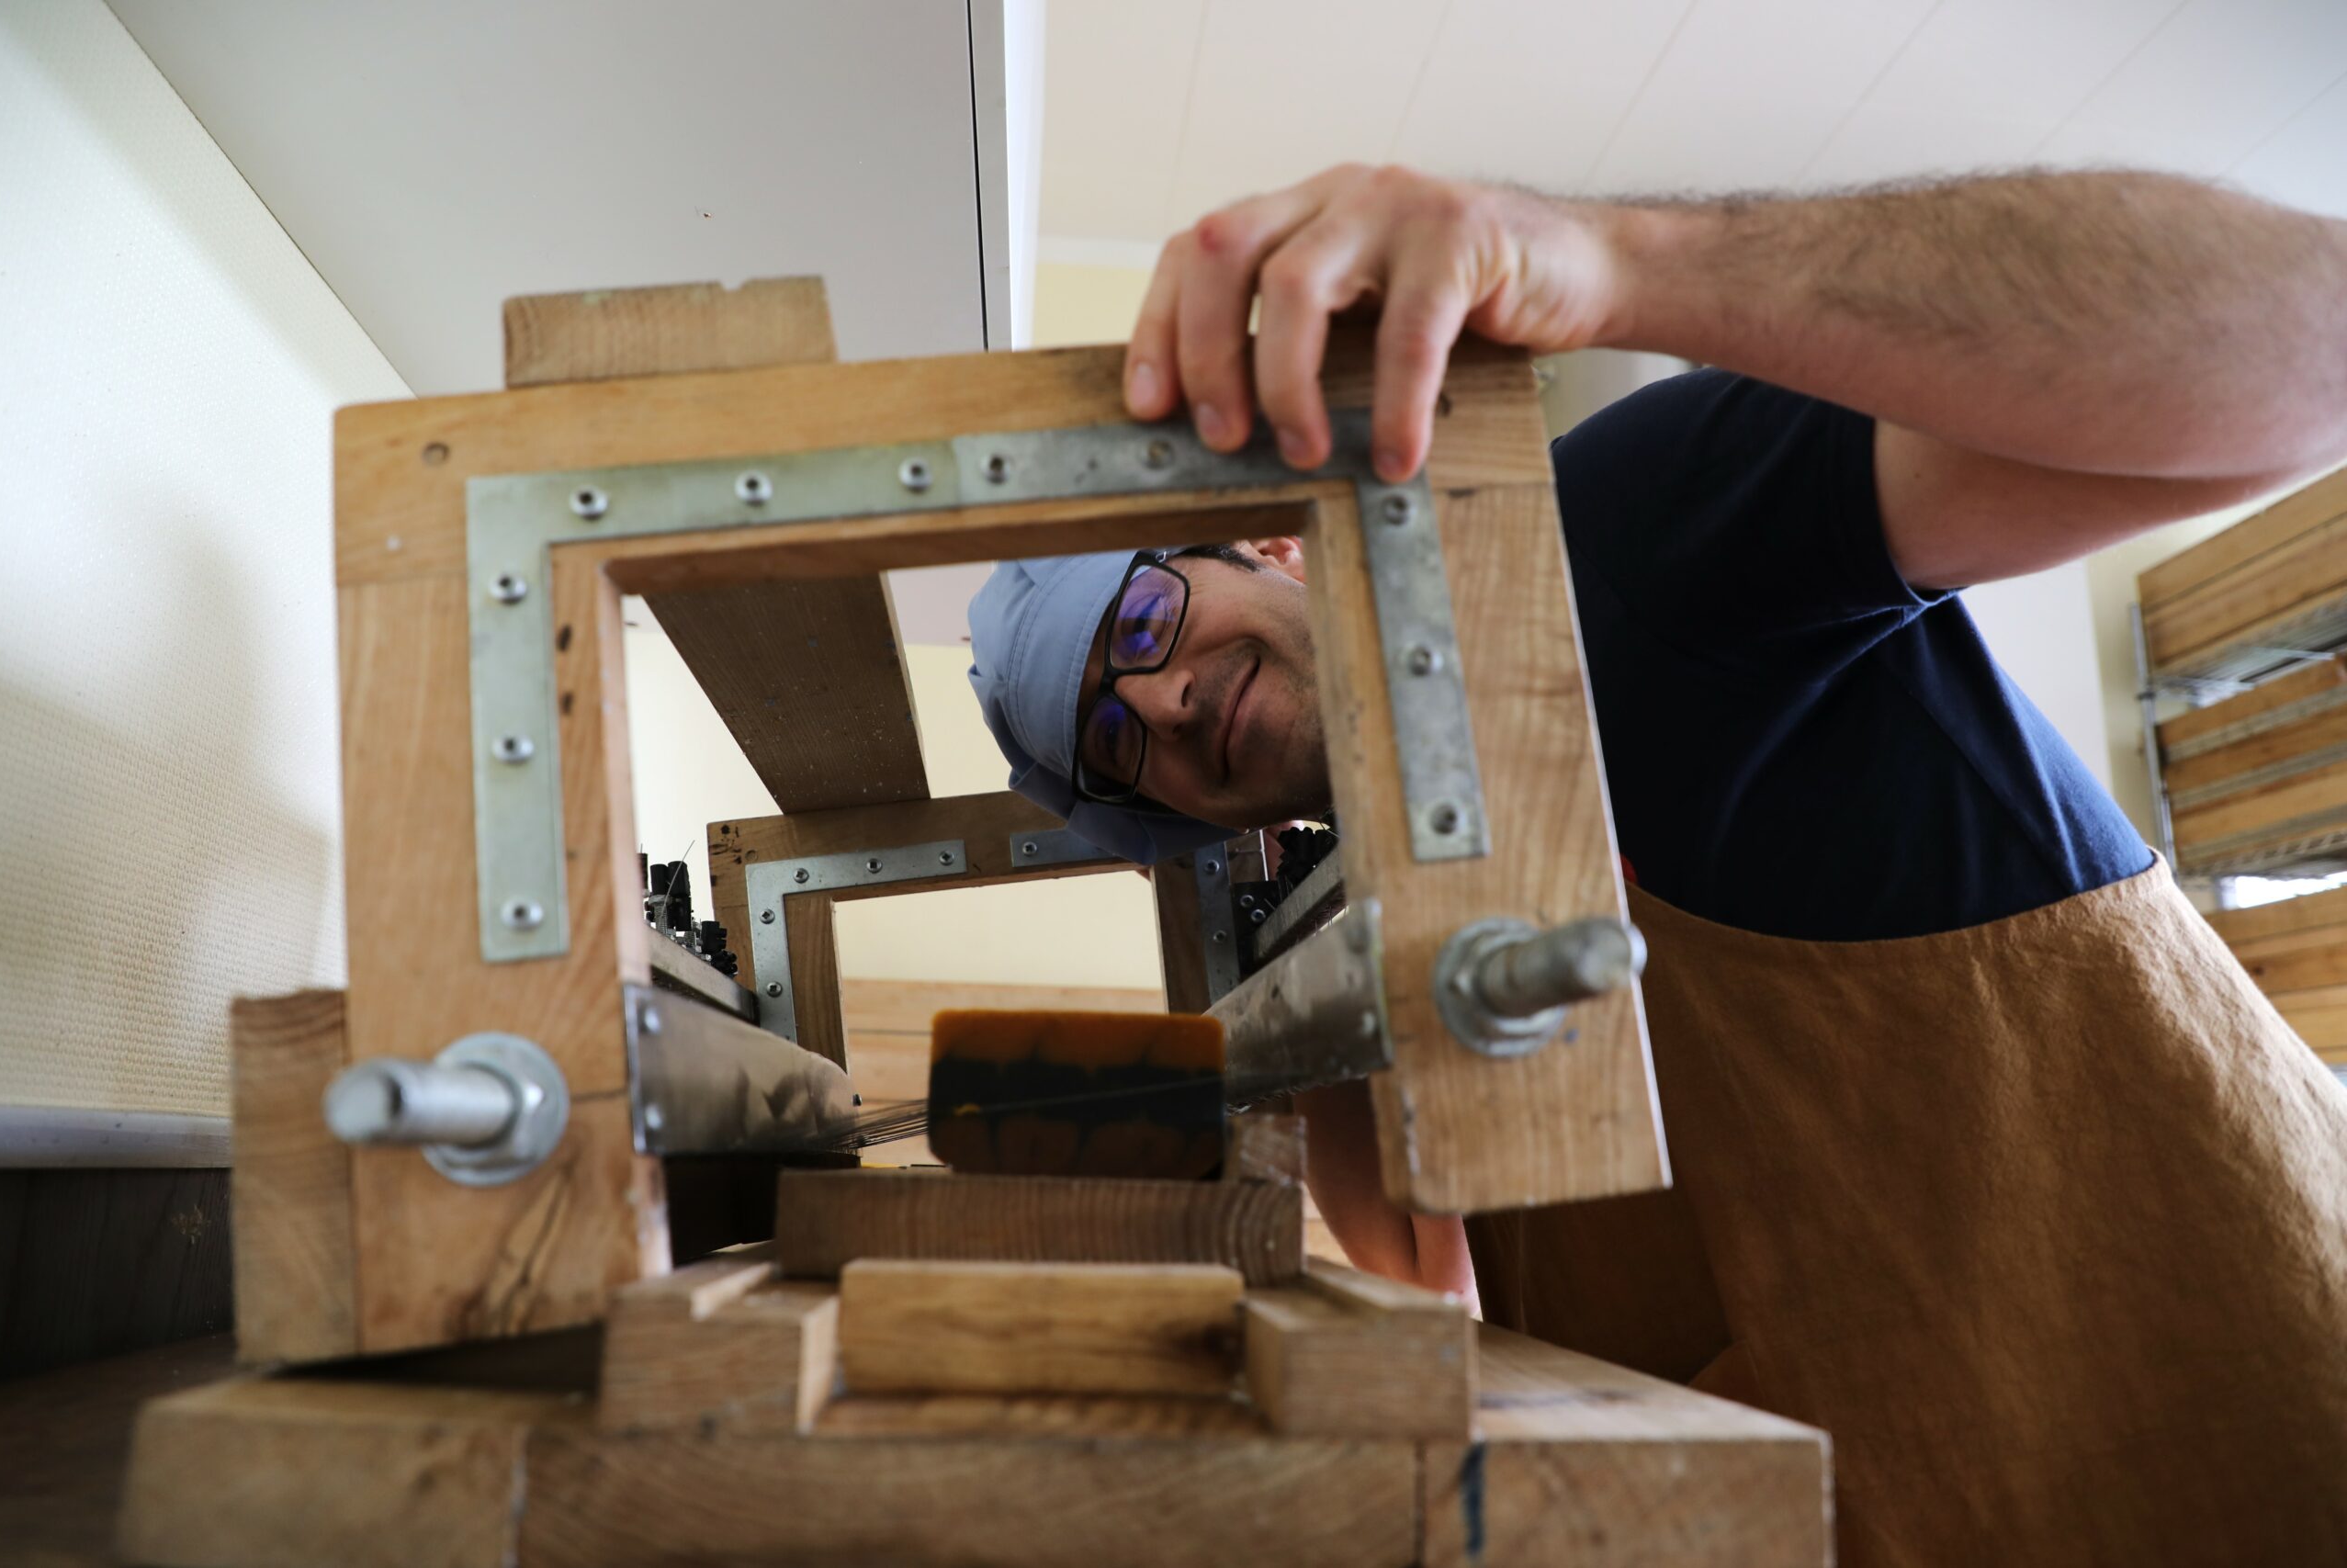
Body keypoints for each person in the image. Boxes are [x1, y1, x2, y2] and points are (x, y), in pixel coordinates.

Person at [967, 164, 2347, 1565]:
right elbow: (1444, 1306)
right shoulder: (1369, 934)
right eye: (1112, 745)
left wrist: (1628, 262)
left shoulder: (1606, 548)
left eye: (1141, 623)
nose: (1158, 704)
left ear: (1268, 543)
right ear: (1192, 824)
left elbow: (2315, 344)